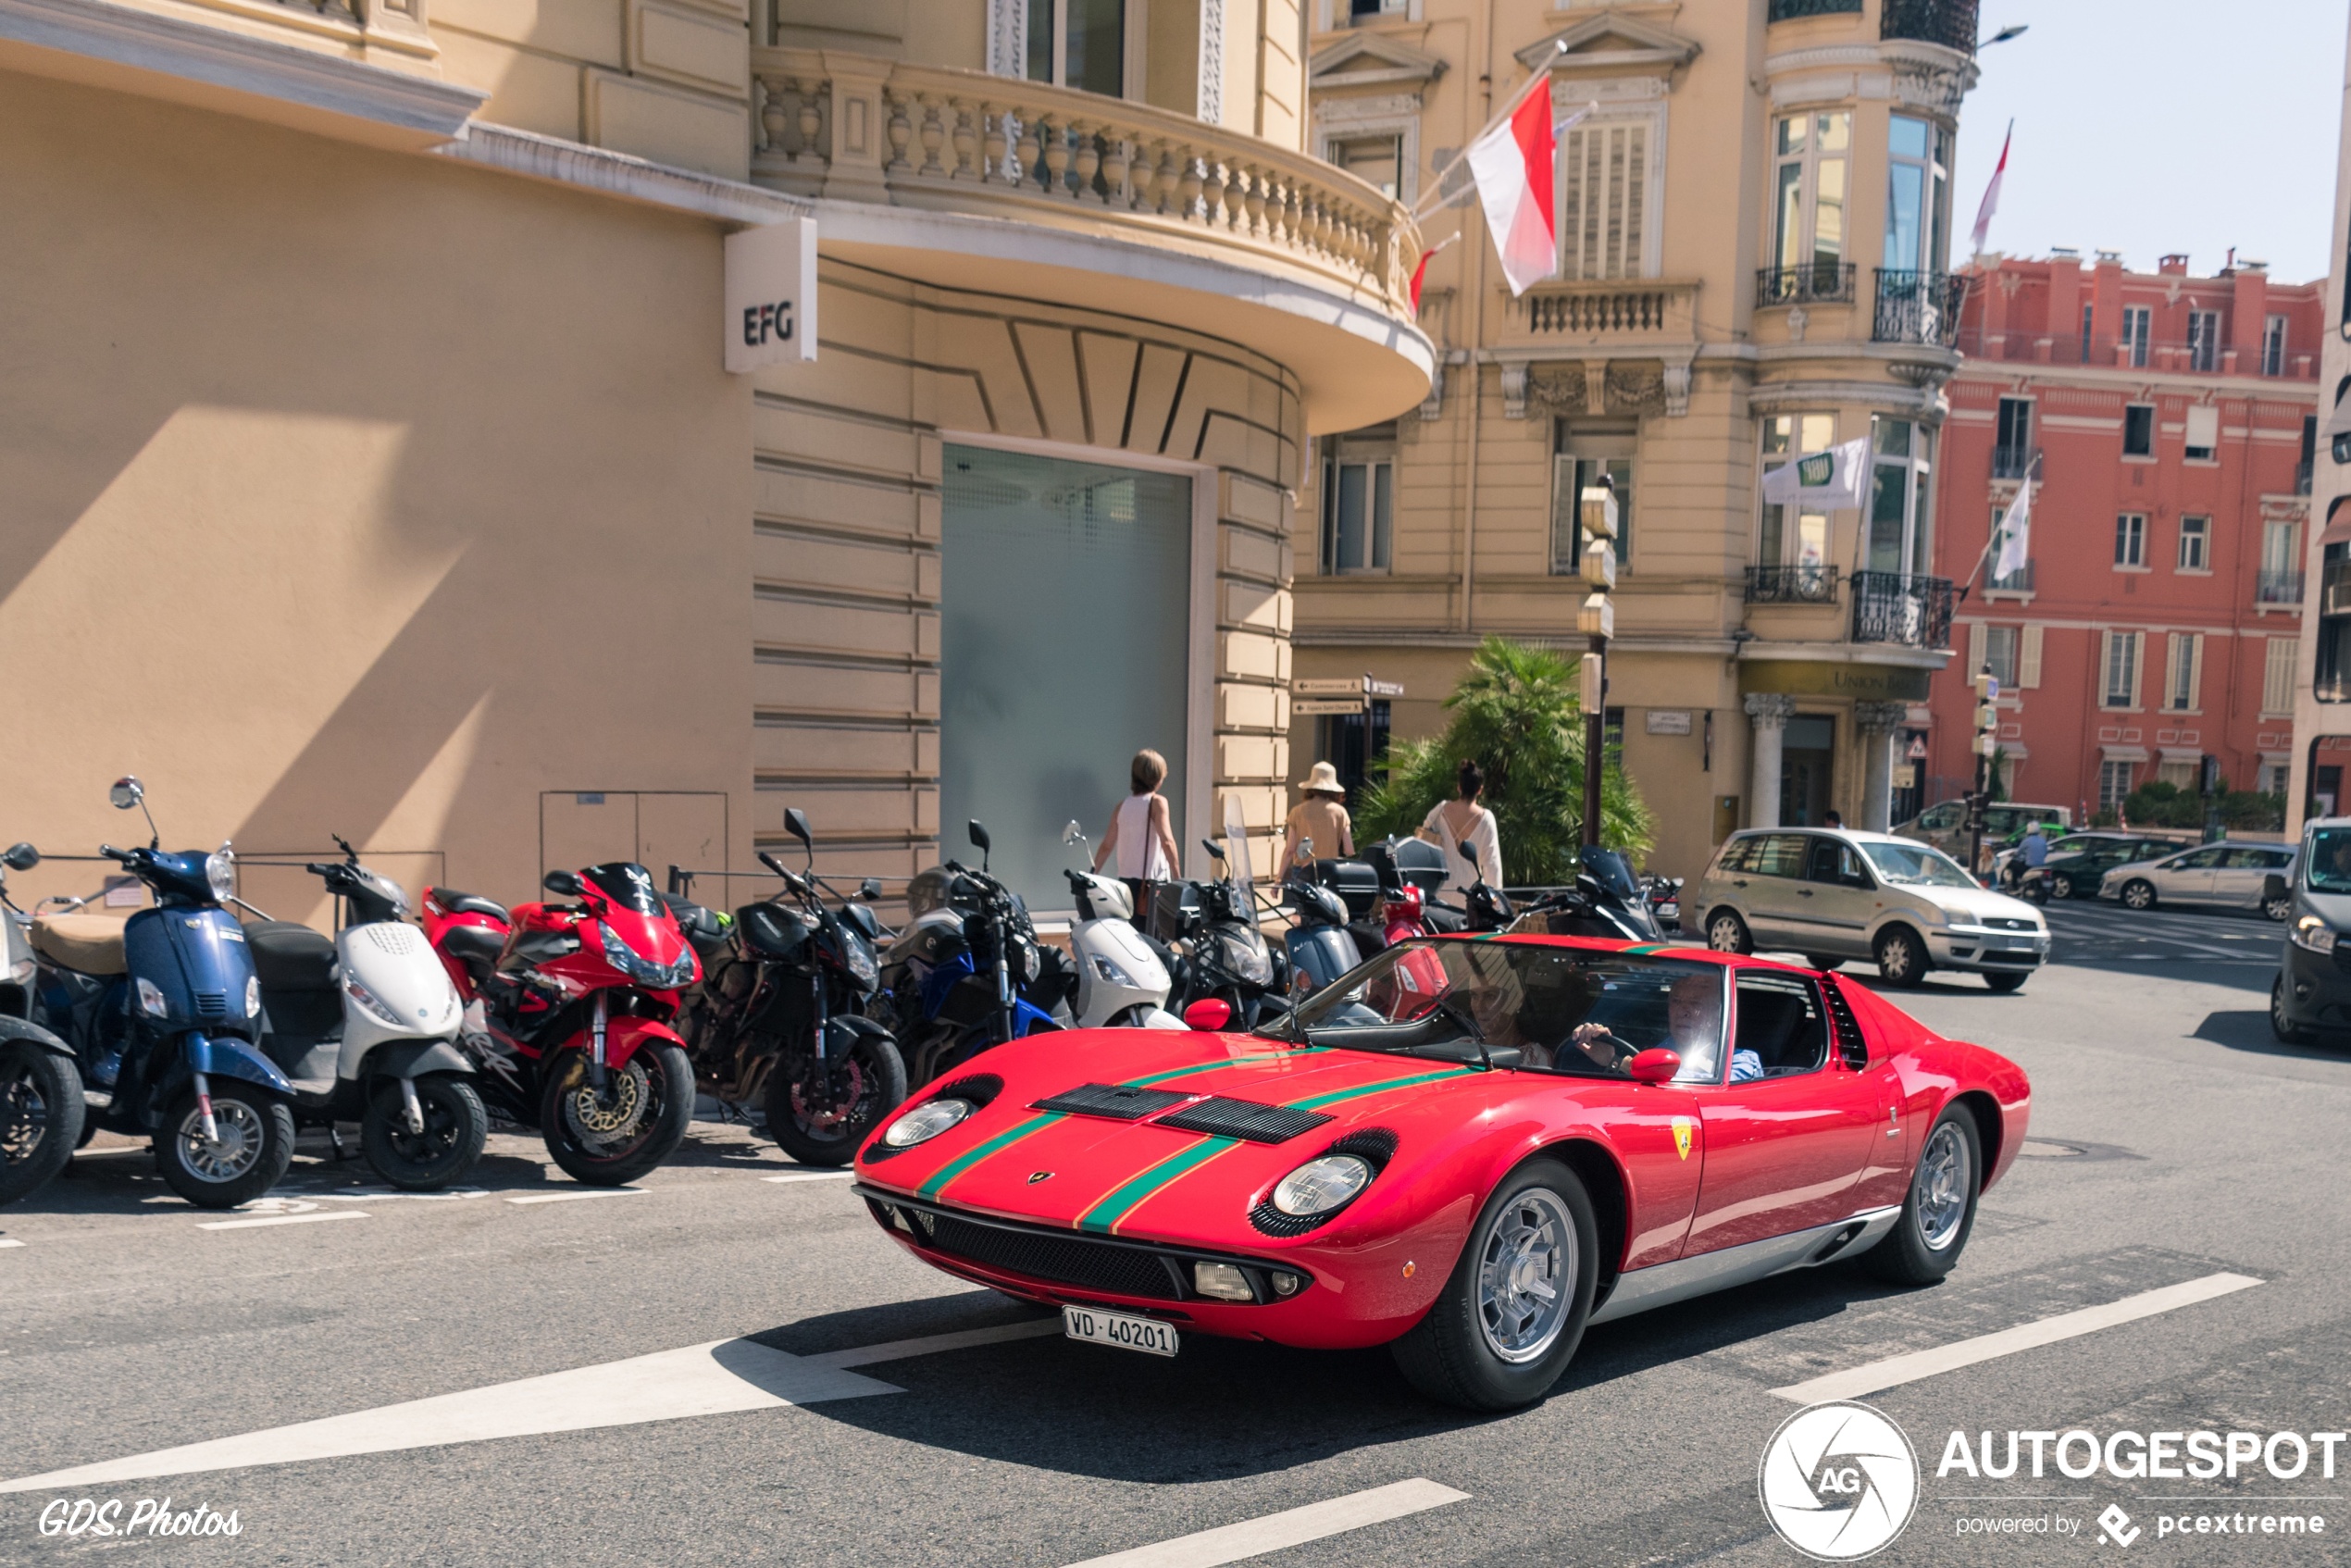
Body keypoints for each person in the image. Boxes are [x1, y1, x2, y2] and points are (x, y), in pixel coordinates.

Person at [1092, 749, 1181, 888]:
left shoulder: (1121, 806)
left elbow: (1106, 846)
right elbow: (1167, 842)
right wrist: (1178, 879)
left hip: (1126, 882)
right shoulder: (1157, 803)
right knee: (1154, 910)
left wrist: (1092, 874)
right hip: (1152, 883)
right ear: (1156, 777)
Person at [1420, 760, 1503, 895]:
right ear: (1480, 790)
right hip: (1470, 894)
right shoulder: (1486, 819)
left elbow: (1422, 842)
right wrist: (1496, 898)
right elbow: (1492, 865)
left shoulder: (1440, 811)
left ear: (1459, 787)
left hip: (1440, 891)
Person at [1281, 761, 1354, 872]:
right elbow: (1349, 850)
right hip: (1329, 870)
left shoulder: (1297, 811)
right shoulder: (1340, 812)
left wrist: (1278, 880)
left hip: (1303, 870)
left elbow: (1290, 850)